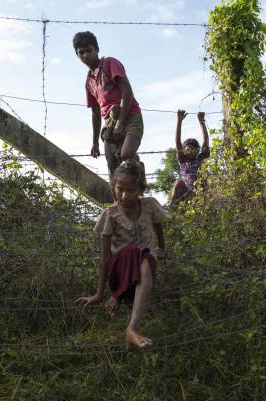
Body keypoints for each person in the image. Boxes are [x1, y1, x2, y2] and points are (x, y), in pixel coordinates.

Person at [76, 159, 165, 350]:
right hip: (120, 270)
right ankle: (118, 295)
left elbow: (158, 227)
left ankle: (132, 328)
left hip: (144, 269)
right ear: (113, 187)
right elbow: (106, 256)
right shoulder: (111, 214)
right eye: (119, 189)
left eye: (130, 190)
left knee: (148, 256)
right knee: (135, 251)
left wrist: (162, 249)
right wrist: (100, 293)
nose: (124, 195)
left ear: (141, 190)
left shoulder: (149, 206)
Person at [72, 31, 144, 185]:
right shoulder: (89, 82)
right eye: (81, 53)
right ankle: (117, 203)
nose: (85, 55)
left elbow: (127, 92)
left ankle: (140, 184)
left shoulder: (109, 64)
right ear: (77, 56)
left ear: (97, 49)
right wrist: (94, 142)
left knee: (126, 154)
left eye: (89, 50)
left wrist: (120, 122)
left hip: (130, 115)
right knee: (111, 164)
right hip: (109, 123)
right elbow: (95, 113)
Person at [170, 109, 210, 207]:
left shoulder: (200, 159)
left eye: (193, 149)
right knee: (178, 182)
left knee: (205, 182)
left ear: (197, 150)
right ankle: (173, 208)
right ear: (184, 150)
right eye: (187, 149)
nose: (190, 151)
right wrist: (179, 121)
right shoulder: (182, 160)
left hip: (199, 191)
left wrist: (202, 122)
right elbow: (178, 142)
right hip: (184, 192)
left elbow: (205, 142)